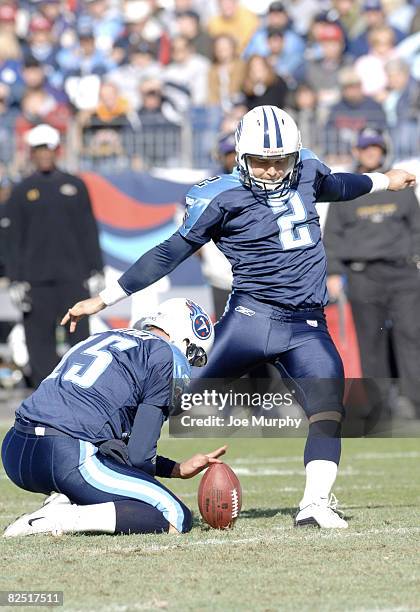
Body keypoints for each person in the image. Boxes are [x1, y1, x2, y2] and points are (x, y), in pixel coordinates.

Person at [62, 105, 415, 529]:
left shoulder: (305, 170)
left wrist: (383, 181)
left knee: (327, 409)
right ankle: (75, 480)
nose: (270, 170)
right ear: (241, 157)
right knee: (166, 395)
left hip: (307, 326)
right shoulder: (220, 195)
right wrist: (104, 299)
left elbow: (337, 184)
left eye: (279, 160)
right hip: (251, 319)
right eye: (261, 161)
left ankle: (315, 504)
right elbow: (168, 253)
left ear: (294, 154)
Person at [1, 298, 224, 537]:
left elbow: (118, 449)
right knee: (176, 516)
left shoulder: (104, 337)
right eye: (194, 357)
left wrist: (176, 469)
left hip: (16, 451)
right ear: (185, 341)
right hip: (66, 453)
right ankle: (66, 518)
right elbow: (139, 457)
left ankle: (64, 500)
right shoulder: (167, 356)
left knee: (108, 459)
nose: (190, 364)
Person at [324, 127, 420, 418]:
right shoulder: (349, 187)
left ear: (383, 149)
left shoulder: (401, 184)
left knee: (412, 336)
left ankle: (414, 402)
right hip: (363, 274)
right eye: (366, 147)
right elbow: (333, 236)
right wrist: (334, 272)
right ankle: (378, 408)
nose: (371, 151)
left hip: (403, 272)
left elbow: (416, 227)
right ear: (356, 151)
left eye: (375, 147)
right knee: (370, 342)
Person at [5, 123, 104, 388]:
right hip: (35, 281)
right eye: (39, 149)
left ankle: (81, 389)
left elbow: (88, 229)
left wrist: (97, 269)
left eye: (48, 149)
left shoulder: (75, 185)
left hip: (73, 277)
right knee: (39, 341)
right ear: (32, 153)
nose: (44, 155)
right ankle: (44, 392)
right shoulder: (22, 191)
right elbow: (13, 238)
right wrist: (14, 278)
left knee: (79, 337)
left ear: (56, 150)